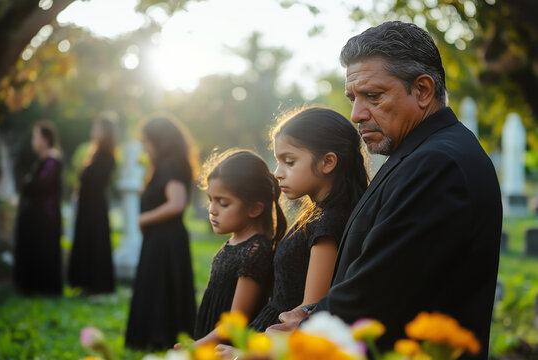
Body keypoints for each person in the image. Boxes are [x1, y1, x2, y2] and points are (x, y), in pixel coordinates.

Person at [275, 21, 503, 359]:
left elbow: (380, 293)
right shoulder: (420, 153)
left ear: (423, 91)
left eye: (373, 96)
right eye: (353, 98)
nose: (355, 114)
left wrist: (292, 338)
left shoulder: (439, 164)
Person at [245, 107, 368, 333]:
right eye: (278, 161)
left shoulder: (328, 224)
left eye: (289, 162)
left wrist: (246, 352)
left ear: (327, 162)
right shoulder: (317, 213)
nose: (277, 172)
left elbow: (309, 311)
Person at [190, 149, 286, 346]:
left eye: (223, 203)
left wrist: (195, 347)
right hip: (211, 336)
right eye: (210, 200)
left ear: (254, 208)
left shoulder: (256, 251)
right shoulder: (237, 241)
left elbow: (236, 322)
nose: (212, 210)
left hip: (227, 346)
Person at [125, 113, 198, 350]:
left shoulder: (171, 164)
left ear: (159, 140)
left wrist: (144, 217)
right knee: (159, 290)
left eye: (146, 141)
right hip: (163, 239)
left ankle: (162, 341)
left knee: (162, 292)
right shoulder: (170, 163)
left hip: (166, 240)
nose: (145, 148)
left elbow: (176, 203)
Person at [68, 112, 117, 294]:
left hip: (95, 207)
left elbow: (96, 180)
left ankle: (96, 284)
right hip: (88, 205)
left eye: (97, 127)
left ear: (105, 131)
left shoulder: (106, 155)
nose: (93, 130)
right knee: (86, 241)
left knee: (95, 243)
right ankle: (85, 282)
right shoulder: (96, 153)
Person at [13, 120, 63, 296]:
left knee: (44, 250)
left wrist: (28, 184)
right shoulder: (44, 160)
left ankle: (43, 287)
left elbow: (39, 185)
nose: (33, 140)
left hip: (45, 216)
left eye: (36, 136)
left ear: (46, 139)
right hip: (37, 214)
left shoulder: (52, 159)